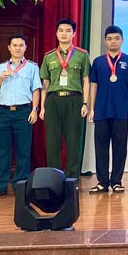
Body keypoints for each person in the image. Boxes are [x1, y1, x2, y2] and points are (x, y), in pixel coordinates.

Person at [0, 34, 42, 197]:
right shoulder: (0, 68)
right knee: (2, 150)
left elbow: (36, 89)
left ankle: (20, 185)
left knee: (23, 151)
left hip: (24, 111)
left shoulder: (32, 67)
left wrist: (35, 109)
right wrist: (0, 80)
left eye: (21, 45)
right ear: (9, 48)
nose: (18, 48)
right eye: (14, 45)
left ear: (25, 47)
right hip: (4, 112)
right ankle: (1, 185)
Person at [87, 25, 128, 194]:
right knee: (101, 147)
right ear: (105, 41)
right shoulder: (98, 62)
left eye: (116, 38)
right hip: (101, 111)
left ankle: (116, 181)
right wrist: (92, 108)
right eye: (109, 39)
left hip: (121, 112)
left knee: (120, 147)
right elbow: (93, 86)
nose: (113, 41)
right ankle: (102, 182)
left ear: (122, 40)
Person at [40, 18, 90, 180]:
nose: (64, 33)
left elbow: (86, 80)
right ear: (56, 33)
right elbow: (45, 84)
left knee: (73, 140)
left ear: (74, 34)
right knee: (52, 142)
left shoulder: (82, 55)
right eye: (61, 30)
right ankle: (54, 178)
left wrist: (85, 103)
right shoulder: (49, 57)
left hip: (74, 100)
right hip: (53, 100)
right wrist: (42, 106)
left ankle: (71, 179)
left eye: (68, 30)